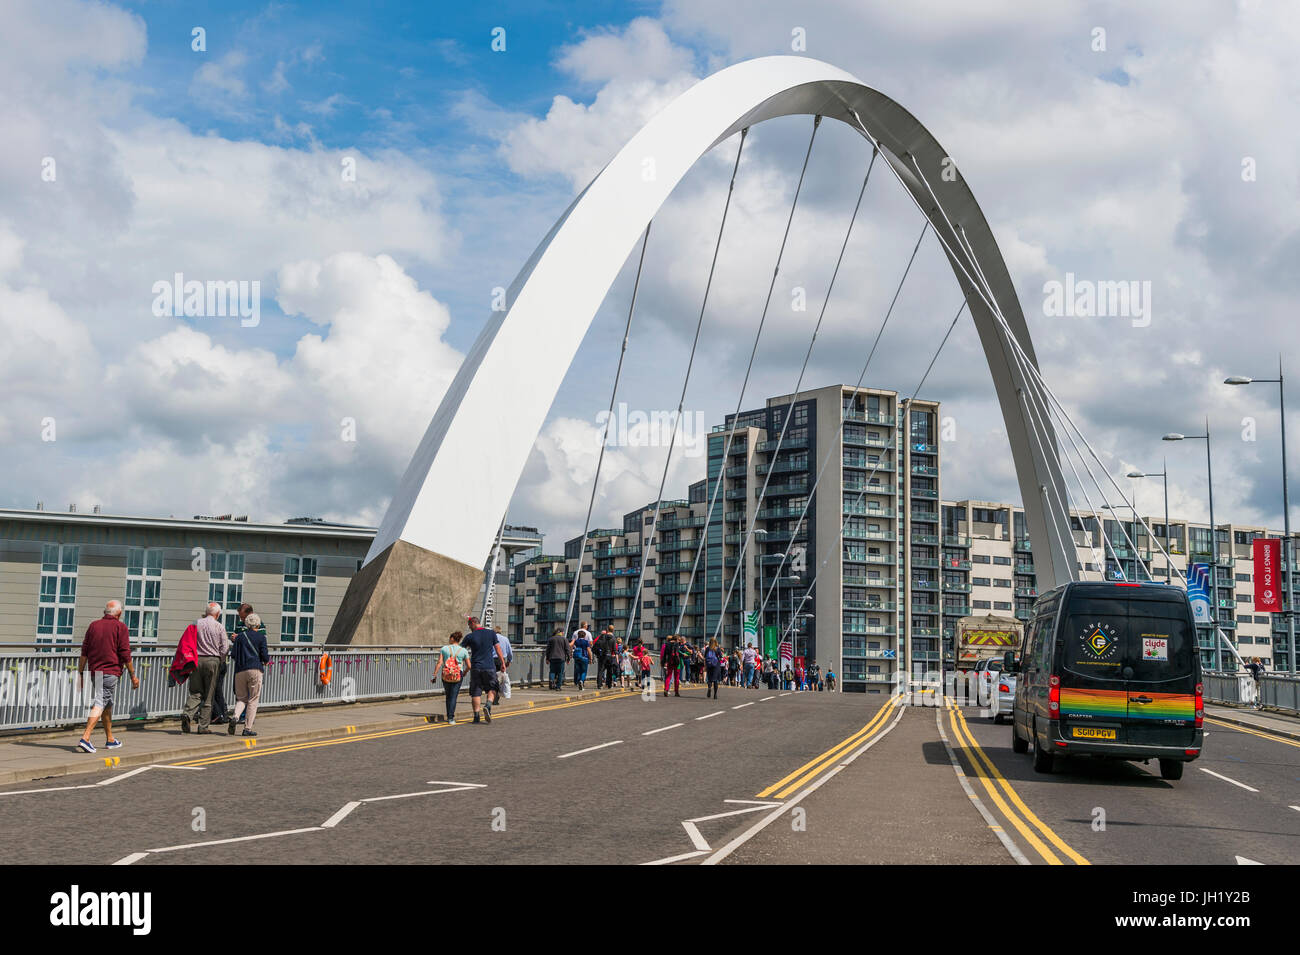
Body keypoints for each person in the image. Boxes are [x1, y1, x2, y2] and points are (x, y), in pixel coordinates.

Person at [76, 600, 138, 753]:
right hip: (110, 671)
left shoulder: (93, 626)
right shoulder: (120, 627)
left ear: (105, 612)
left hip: (95, 670)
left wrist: (81, 672)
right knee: (101, 701)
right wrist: (133, 675)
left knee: (107, 704)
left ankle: (110, 739)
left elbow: (84, 651)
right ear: (119, 613)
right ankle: (86, 737)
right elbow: (125, 653)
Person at [183, 602, 229, 734]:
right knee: (209, 694)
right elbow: (225, 648)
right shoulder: (219, 626)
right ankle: (203, 726)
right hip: (212, 660)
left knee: (195, 691)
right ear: (218, 614)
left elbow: (187, 640)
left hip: (197, 660)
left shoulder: (195, 623)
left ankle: (187, 714)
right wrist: (220, 660)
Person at [228, 612, 269, 737]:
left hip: (240, 670)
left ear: (246, 624)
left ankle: (235, 716)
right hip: (255, 669)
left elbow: (234, 654)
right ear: (257, 624)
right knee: (253, 699)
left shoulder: (239, 637)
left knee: (241, 698)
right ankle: (247, 728)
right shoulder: (261, 638)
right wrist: (265, 661)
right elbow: (265, 656)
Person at [462, 616, 506, 723]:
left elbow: (461, 651)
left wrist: (464, 666)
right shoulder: (491, 633)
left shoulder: (469, 636)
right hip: (489, 667)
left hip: (476, 667)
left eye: (469, 625)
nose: (469, 627)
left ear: (473, 623)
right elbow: (498, 648)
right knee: (493, 688)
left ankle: (476, 716)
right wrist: (502, 663)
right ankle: (488, 705)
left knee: (476, 692)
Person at [432, 631, 470, 724]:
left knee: (448, 696)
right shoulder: (463, 650)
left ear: (452, 638)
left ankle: (449, 715)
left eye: (450, 638)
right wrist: (464, 672)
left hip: (446, 674)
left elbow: (440, 662)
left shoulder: (444, 649)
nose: (449, 639)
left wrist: (434, 674)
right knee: (454, 696)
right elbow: (469, 666)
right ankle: (451, 718)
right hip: (458, 674)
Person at [495, 627, 514, 700]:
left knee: (492, 678)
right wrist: (509, 661)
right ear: (500, 631)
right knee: (500, 679)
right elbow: (510, 651)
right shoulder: (505, 639)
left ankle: (492, 695)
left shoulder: (491, 638)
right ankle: (497, 697)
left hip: (491, 660)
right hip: (501, 660)